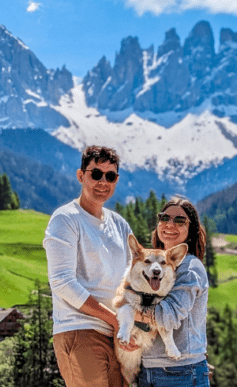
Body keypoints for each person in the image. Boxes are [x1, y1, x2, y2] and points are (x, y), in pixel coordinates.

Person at [43, 145, 133, 387]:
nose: (103, 182)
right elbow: (62, 282)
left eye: (110, 176)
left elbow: (132, 280)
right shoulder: (65, 219)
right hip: (80, 330)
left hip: (117, 335)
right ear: (81, 175)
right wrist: (114, 319)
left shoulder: (120, 225)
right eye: (96, 174)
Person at [136, 196, 210, 387]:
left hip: (181, 371)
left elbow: (167, 317)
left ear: (190, 230)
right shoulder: (152, 267)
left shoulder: (189, 267)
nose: (170, 224)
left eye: (180, 221)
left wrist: (127, 312)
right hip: (149, 370)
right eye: (164, 218)